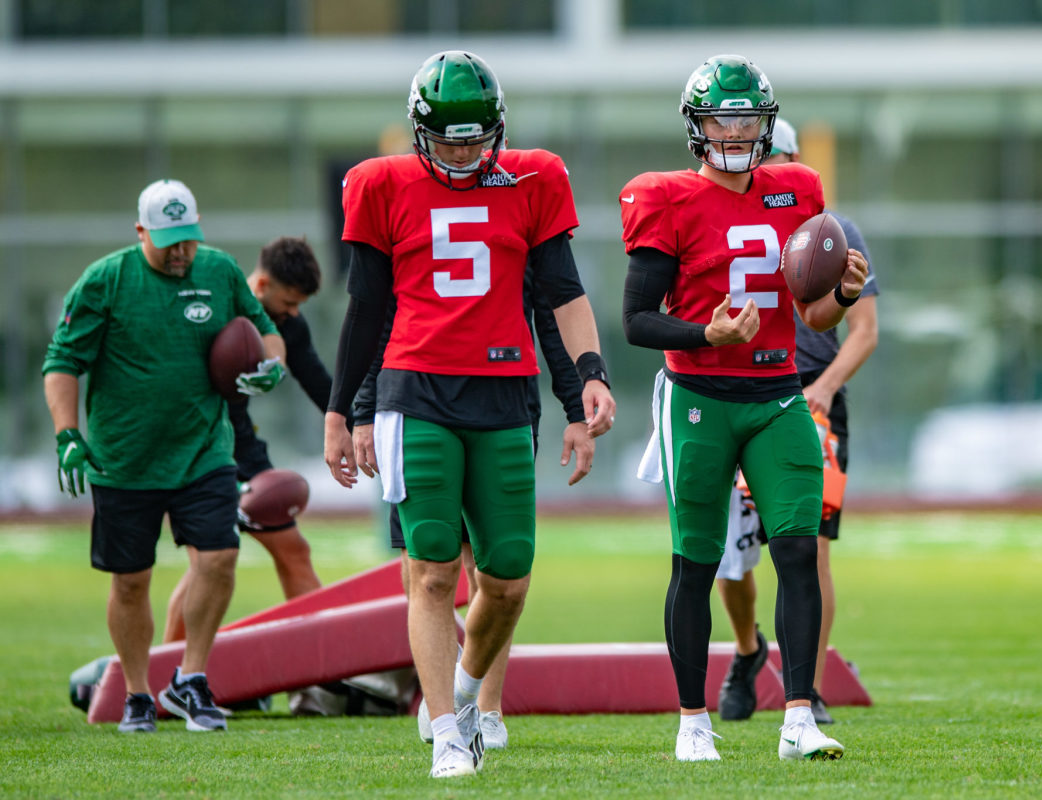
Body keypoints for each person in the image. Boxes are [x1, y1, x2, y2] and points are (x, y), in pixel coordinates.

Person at [322, 50, 615, 779]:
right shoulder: (381, 183)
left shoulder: (534, 176)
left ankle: (457, 690)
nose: (461, 150)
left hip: (502, 390)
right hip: (414, 389)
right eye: (448, 137)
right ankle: (450, 733)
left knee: (507, 578)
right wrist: (340, 410)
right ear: (420, 131)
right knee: (428, 570)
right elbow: (366, 310)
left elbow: (563, 292)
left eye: (474, 136)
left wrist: (589, 378)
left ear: (498, 128)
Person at [621, 55, 868, 763]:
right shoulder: (665, 197)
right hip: (698, 395)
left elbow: (814, 318)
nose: (734, 131)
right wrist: (709, 333)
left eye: (746, 118)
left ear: (767, 123)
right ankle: (692, 723)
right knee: (695, 561)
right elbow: (638, 319)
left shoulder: (797, 188)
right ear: (696, 126)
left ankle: (797, 717)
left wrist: (844, 294)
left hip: (777, 393)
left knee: (796, 549)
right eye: (721, 118)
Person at [43, 179, 287, 733]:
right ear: (140, 232)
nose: (181, 252)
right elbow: (61, 362)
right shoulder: (106, 280)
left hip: (203, 449)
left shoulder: (220, 271)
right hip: (123, 459)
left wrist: (272, 366)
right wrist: (67, 434)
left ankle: (191, 679)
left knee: (219, 557)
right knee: (131, 580)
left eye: (189, 240)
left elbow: (267, 331)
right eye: (168, 241)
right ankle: (135, 694)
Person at [352, 258, 594, 750]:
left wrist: (575, 406)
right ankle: (442, 708)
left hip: (503, 404)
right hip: (418, 402)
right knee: (427, 568)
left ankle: (483, 703)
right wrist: (361, 407)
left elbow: (552, 316)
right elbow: (375, 317)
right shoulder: (408, 204)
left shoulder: (520, 209)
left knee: (497, 573)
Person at [715, 118, 879, 726]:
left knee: (810, 550)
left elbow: (863, 331)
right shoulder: (718, 216)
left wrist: (823, 390)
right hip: (735, 395)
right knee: (730, 558)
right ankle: (748, 649)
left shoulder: (834, 233)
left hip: (808, 403)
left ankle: (804, 687)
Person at [163, 236, 328, 644]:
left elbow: (319, 384)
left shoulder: (289, 325)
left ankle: (322, 670)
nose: (293, 312)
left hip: (242, 444)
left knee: (293, 550)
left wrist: (361, 427)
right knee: (210, 562)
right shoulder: (212, 310)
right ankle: (170, 672)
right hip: (196, 445)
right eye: (289, 301)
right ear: (260, 286)